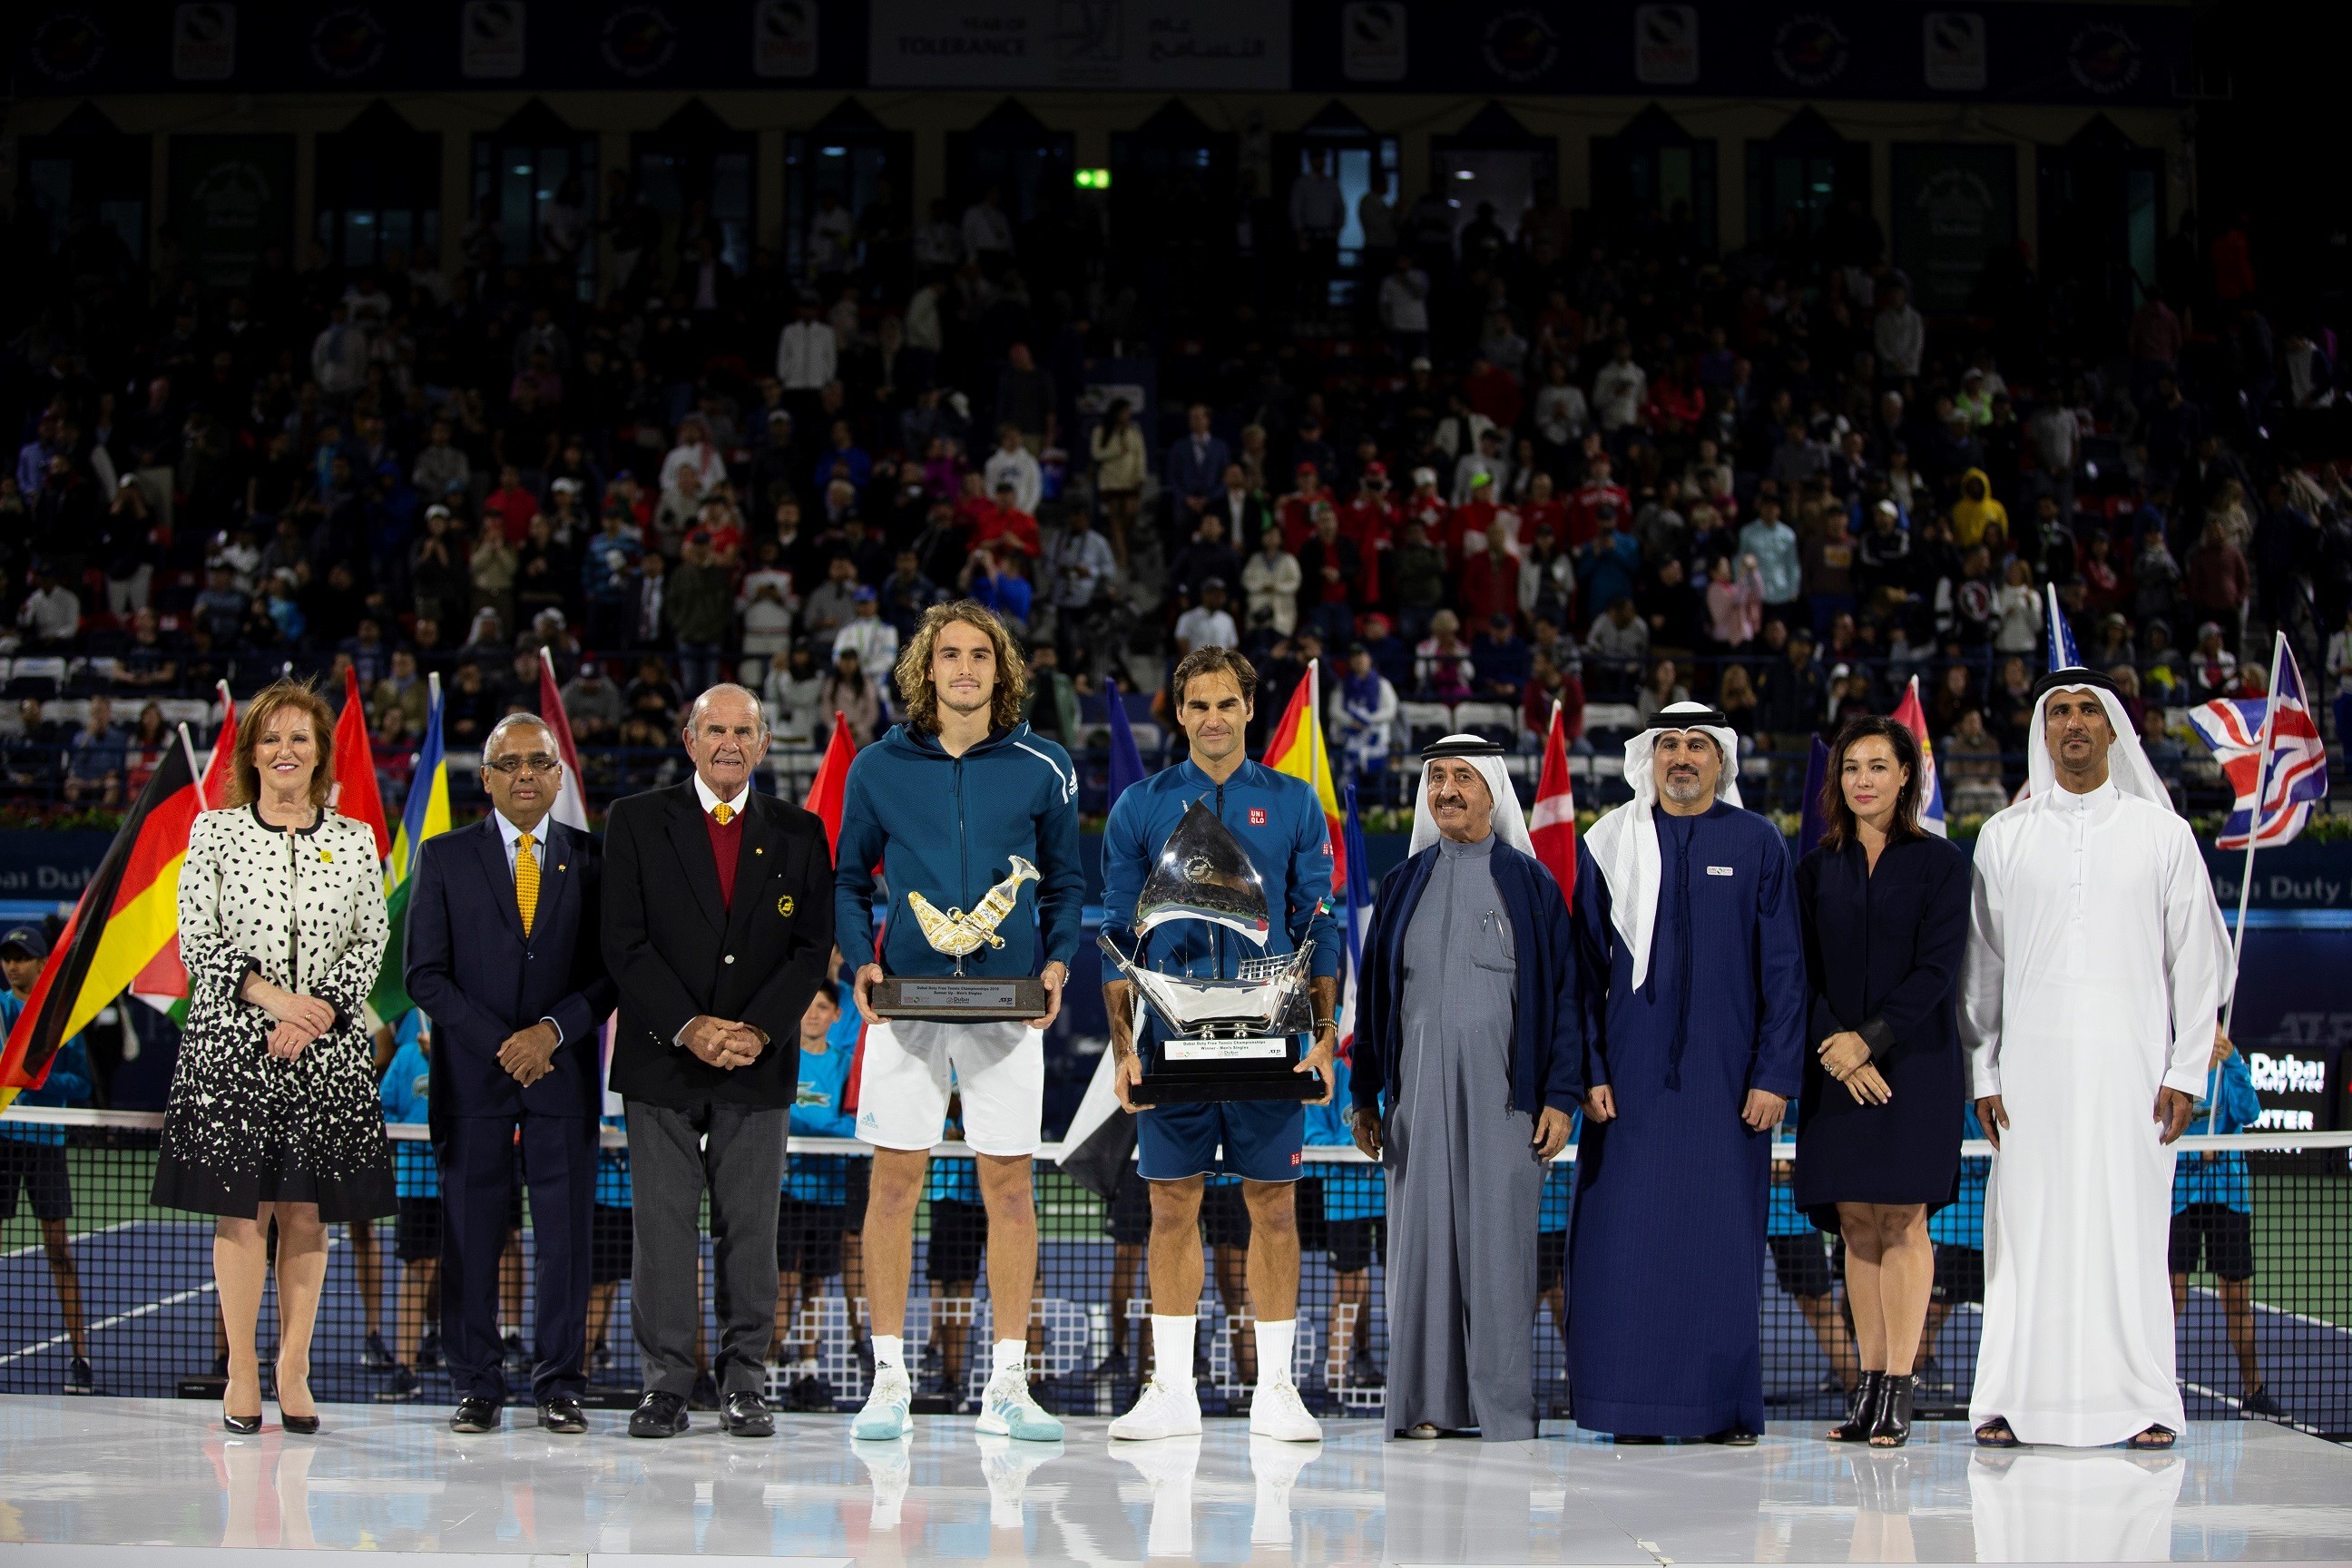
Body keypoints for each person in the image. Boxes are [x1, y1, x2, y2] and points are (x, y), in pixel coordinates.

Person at [1962, 668, 2232, 1450]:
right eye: (2059, 714)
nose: (2073, 724)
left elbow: (2197, 965)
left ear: (2113, 727)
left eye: (2088, 711)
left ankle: (2146, 1401)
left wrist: (2186, 1070)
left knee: (2132, 1232)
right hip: (2031, 1079)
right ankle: (2010, 1399)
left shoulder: (2163, 833)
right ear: (2043, 733)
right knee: (2026, 1231)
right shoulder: (2005, 835)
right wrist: (1984, 1073)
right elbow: (1982, 972)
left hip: (2134, 1076)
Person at [838, 601, 1084, 1443]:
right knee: (893, 1186)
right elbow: (846, 881)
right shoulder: (876, 767)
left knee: (1010, 1188)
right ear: (926, 668)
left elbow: (1065, 887)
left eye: (982, 655)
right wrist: (860, 960)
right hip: (903, 1001)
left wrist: (1056, 963)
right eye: (950, 655)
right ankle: (889, 1381)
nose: (966, 669)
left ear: (1001, 669)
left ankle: (1008, 1384)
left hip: (1007, 1006)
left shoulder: (1044, 765)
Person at [1100, 645, 1339, 1443]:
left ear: (1248, 711)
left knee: (1274, 1208)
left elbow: (1318, 923)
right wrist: (1122, 1047)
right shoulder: (1139, 805)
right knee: (1172, 1208)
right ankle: (1173, 1390)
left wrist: (1325, 1034)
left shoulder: (1297, 803)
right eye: (1197, 704)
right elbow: (1115, 933)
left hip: (1273, 1042)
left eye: (1226, 704)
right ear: (1178, 712)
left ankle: (1275, 1389)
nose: (1212, 718)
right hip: (1168, 1041)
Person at [156, 679, 395, 1436]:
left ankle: (294, 1367)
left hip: (326, 1053)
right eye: (272, 738)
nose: (286, 750)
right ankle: (241, 1370)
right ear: (251, 752)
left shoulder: (355, 838)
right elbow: (198, 938)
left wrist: (317, 1008)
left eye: (300, 738)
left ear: (322, 753)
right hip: (235, 1048)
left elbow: (372, 940)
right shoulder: (213, 833)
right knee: (242, 1212)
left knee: (306, 1213)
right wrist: (273, 1001)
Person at [601, 683, 837, 1439]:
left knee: (751, 1230)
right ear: (689, 738)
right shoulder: (635, 821)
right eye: (715, 730)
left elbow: (809, 953)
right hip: (662, 1059)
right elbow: (623, 944)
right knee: (663, 1230)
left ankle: (744, 1384)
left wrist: (759, 1032)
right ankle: (667, 1384)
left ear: (765, 745)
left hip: (758, 1063)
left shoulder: (800, 832)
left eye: (745, 731)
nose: (729, 743)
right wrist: (688, 1026)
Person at [1568, 702, 1805, 1443]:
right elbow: (1582, 973)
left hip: (1731, 1089)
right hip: (1628, 1090)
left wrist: (1774, 1074)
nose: (1682, 757)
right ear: (1650, 757)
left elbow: (1785, 971)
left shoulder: (1760, 843)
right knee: (1625, 1249)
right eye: (1669, 743)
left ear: (1720, 761)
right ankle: (1626, 1408)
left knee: (1721, 1250)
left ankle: (1721, 1409)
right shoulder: (1609, 843)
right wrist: (1591, 1069)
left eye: (1697, 745)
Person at [1351, 737, 1581, 1441]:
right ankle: (1427, 1406)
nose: (1447, 791)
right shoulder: (1401, 885)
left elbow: (1567, 998)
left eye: (1462, 779)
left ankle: (1502, 1414)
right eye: (1437, 778)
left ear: (1492, 792)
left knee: (1501, 1257)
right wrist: (1365, 1095)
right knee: (1418, 1257)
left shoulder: (1532, 886)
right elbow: (1376, 1006)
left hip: (1508, 1101)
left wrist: (1562, 1096)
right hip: (1415, 1102)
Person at [404, 713, 619, 1435]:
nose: (525, 774)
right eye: (509, 763)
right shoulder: (441, 858)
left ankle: (559, 1384)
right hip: (474, 1085)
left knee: (565, 1243)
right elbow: (423, 977)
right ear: (487, 778)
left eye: (538, 762)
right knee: (470, 1236)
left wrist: (549, 1034)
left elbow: (612, 975)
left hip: (562, 1080)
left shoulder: (597, 861)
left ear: (558, 776)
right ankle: (478, 1385)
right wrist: (506, 1044)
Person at [1792, 717, 1972, 1448]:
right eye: (1851, 767)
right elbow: (1796, 970)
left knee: (1902, 1219)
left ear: (1906, 777)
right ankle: (1866, 1386)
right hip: (1833, 1065)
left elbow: (1938, 970)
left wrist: (1868, 1044)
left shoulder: (1944, 865)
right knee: (1856, 1226)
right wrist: (1838, 1046)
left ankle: (1898, 1387)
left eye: (1878, 765)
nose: (1863, 779)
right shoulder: (1813, 869)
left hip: (1915, 1068)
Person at [0, 925, 94, 1394]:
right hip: (1, 1142)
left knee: (59, 1251)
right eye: (8, 957)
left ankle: (80, 1357)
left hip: (45, 1143)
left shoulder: (61, 1018)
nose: (13, 965)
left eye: (22, 957)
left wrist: (37, 1080)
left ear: (41, 963)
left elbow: (82, 1085)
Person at [2169, 1025, 2281, 1417]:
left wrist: (2233, 1061)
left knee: (2237, 1301)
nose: (2212, 1037)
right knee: (2171, 1299)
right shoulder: (2175, 1071)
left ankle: (2254, 1391)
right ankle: (2156, 1390)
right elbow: (2157, 1128)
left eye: (2218, 1032)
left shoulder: (2229, 1072)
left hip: (2228, 1200)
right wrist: (2193, 1147)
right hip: (2179, 1200)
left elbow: (2250, 1112)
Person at [774, 984, 858, 1410]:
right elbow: (777, 1118)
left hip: (829, 1194)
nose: (812, 1014)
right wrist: (818, 1123)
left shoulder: (845, 1065)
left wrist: (810, 1126)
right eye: (806, 1006)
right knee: (781, 1283)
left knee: (815, 1286)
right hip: (784, 1193)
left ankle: (808, 1369)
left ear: (835, 1016)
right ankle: (768, 1366)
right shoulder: (782, 1060)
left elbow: (852, 1124)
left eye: (822, 1007)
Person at [375, 1009, 438, 1404]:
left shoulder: (471, 1051)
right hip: (417, 1183)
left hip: (464, 1180)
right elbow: (387, 1113)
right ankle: (405, 1365)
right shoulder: (405, 1058)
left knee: (465, 1271)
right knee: (417, 1269)